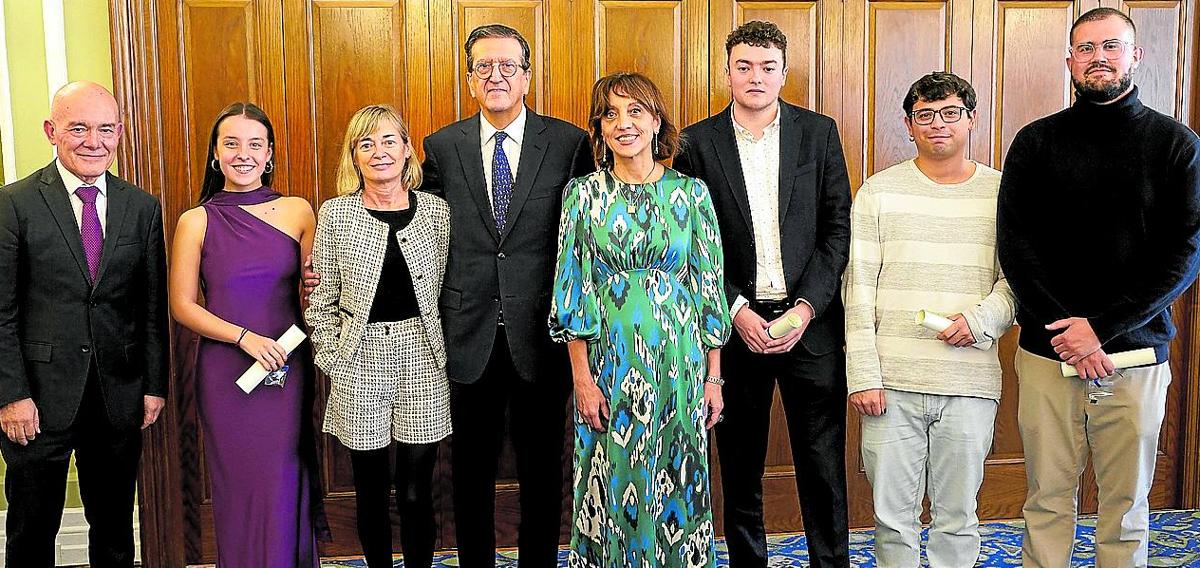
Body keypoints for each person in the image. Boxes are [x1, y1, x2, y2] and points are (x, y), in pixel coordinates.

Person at [997, 8, 1200, 566]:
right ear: (1069, 61)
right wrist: (1069, 332)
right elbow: (1016, 248)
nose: (1099, 58)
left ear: (1136, 56)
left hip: (1134, 356)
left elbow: (1184, 255)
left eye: (1111, 46)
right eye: (1086, 49)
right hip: (1048, 350)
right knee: (1046, 499)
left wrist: (1101, 330)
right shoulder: (1035, 143)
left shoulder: (1175, 144)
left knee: (1127, 504)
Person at [673, 20, 852, 567]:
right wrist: (735, 308)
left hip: (809, 325)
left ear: (783, 72)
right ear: (726, 72)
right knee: (740, 464)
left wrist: (805, 308)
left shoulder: (818, 132)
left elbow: (836, 228)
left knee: (822, 467)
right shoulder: (697, 143)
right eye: (744, 66)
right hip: (734, 328)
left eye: (767, 67)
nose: (756, 76)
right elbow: (693, 244)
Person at [420, 23, 594, 567]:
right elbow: (415, 231)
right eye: (483, 67)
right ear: (470, 78)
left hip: (543, 335)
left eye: (507, 66)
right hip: (466, 335)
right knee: (469, 471)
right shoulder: (440, 147)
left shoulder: (568, 144)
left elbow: (588, 234)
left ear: (527, 76)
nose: (496, 76)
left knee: (544, 471)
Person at [550, 70, 730, 567]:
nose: (623, 123)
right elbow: (573, 291)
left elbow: (708, 289)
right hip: (609, 367)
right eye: (610, 113)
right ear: (599, 128)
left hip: (681, 368)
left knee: (679, 479)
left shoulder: (692, 194)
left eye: (635, 111)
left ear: (656, 122)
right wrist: (582, 381)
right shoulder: (581, 195)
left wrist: (713, 378)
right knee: (611, 481)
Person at [843, 72, 1015, 567]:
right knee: (892, 520)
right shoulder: (878, 192)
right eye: (925, 115)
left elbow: (1017, 281)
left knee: (957, 517)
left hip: (969, 382)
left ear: (971, 120)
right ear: (909, 125)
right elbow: (858, 290)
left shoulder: (1002, 193)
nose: (937, 124)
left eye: (950, 113)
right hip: (890, 385)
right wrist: (864, 376)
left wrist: (982, 320)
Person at [0, 81, 167, 567]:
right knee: (32, 531)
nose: (93, 141)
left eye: (105, 129)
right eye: (79, 128)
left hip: (118, 396)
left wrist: (154, 385)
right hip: (36, 399)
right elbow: (1, 311)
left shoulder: (142, 207)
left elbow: (150, 307)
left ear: (119, 134)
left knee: (115, 529)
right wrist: (11, 394)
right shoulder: (14, 205)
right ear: (52, 131)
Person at [169, 102, 322, 566]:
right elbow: (182, 305)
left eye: (255, 144)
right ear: (215, 154)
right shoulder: (195, 220)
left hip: (286, 370)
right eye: (231, 143)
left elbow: (316, 293)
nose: (243, 154)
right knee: (238, 484)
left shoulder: (298, 211)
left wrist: (316, 286)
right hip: (227, 375)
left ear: (270, 152)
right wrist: (243, 338)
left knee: (282, 477)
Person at [306, 105, 451, 568]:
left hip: (423, 356)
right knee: (369, 490)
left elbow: (452, 287)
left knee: (414, 491)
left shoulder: (436, 213)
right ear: (354, 155)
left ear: (407, 149)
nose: (379, 152)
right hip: (360, 355)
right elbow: (322, 297)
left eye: (389, 140)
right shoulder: (336, 214)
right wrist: (334, 357)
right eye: (366, 143)